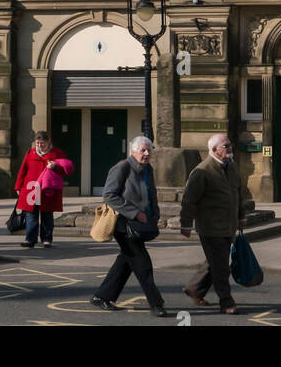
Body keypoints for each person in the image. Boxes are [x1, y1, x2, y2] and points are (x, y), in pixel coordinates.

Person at [91, 135, 168, 316]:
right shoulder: (122, 167)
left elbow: (152, 194)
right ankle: (156, 304)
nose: (147, 153)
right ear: (133, 151)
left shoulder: (148, 169)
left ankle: (101, 296)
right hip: (123, 224)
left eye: (149, 150)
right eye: (143, 150)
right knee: (143, 264)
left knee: (126, 262)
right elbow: (109, 195)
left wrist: (154, 215)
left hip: (140, 223)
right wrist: (134, 213)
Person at [179, 132, 248, 314]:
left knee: (215, 262)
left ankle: (195, 288)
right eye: (226, 146)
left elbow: (238, 194)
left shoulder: (232, 167)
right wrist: (185, 224)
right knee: (221, 268)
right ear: (215, 150)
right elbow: (189, 200)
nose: (230, 148)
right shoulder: (202, 171)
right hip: (210, 228)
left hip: (228, 226)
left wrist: (241, 216)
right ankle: (226, 302)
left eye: (230, 144)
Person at [13, 131, 73, 249]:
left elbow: (66, 170)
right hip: (31, 187)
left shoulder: (57, 153)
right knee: (31, 215)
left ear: (48, 142)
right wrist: (18, 186)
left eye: (42, 143)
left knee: (47, 214)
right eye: (38, 143)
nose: (40, 146)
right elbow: (23, 170)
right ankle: (30, 239)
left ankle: (46, 239)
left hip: (47, 188)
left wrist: (55, 166)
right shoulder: (30, 153)